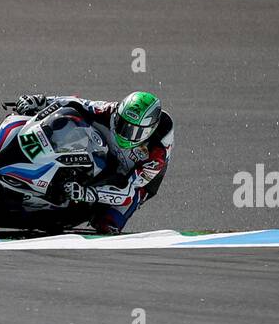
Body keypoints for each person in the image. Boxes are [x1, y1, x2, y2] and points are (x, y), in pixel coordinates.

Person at [12, 91, 173, 234]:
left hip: (131, 181)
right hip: (106, 151)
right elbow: (76, 102)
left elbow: (128, 191)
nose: (124, 133)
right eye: (122, 124)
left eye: (133, 131)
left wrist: (86, 193)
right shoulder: (110, 111)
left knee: (106, 226)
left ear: (149, 130)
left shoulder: (156, 154)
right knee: (70, 120)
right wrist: (41, 101)